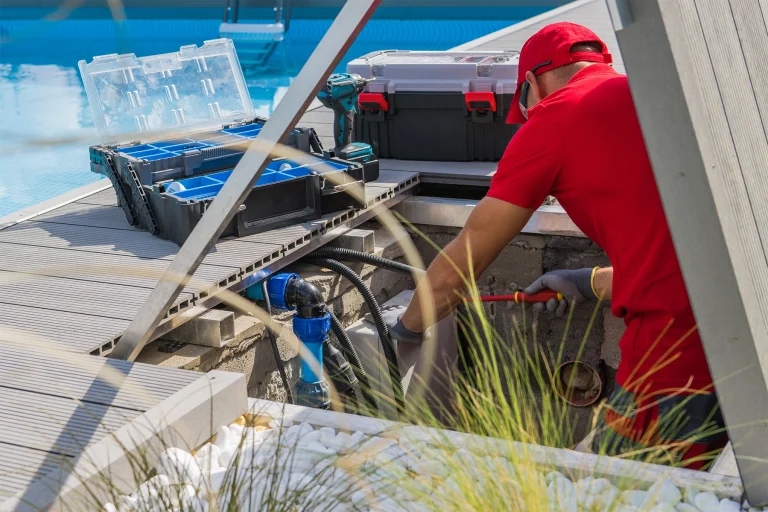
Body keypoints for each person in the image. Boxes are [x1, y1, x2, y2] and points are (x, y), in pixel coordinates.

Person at [387, 22, 727, 468]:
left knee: (617, 484)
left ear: (531, 84)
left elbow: (463, 262)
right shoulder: (651, 94)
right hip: (740, 316)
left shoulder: (556, 116)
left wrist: (406, 328)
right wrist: (586, 282)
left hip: (679, 346)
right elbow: (673, 247)